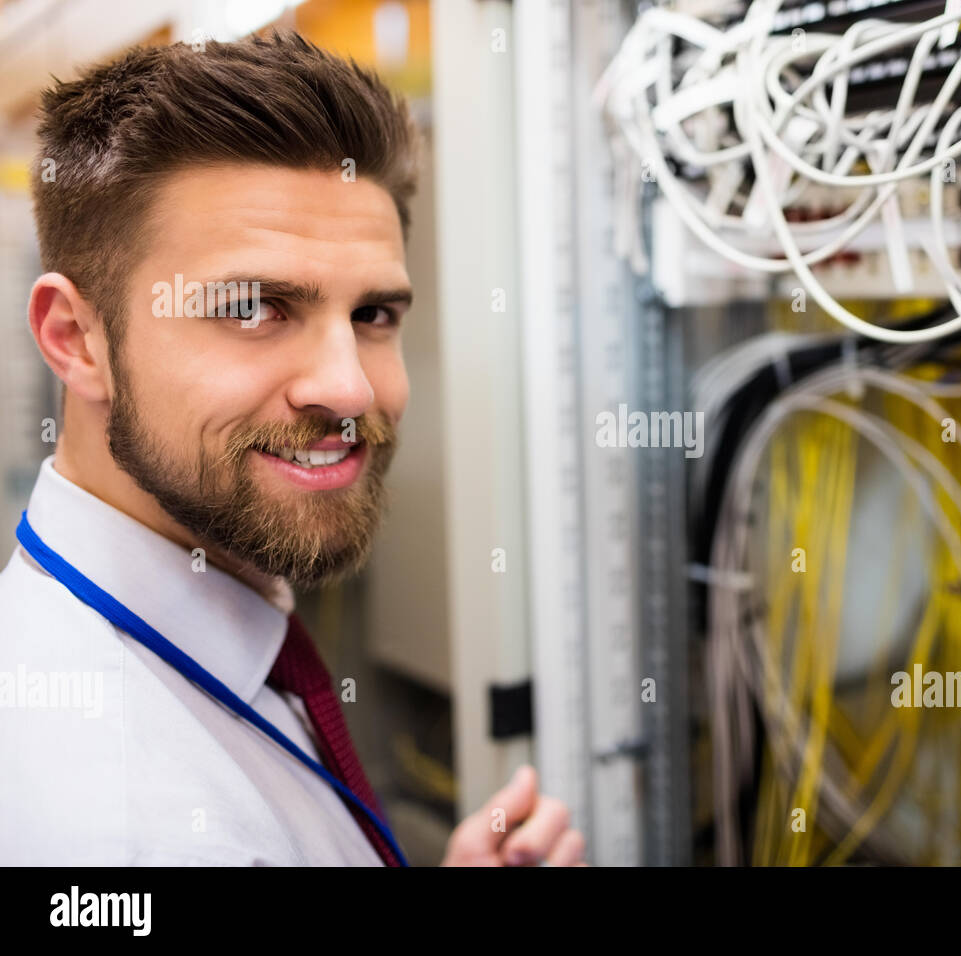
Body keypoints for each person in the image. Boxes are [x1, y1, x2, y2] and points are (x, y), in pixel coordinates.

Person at [0, 31, 585, 867]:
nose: (349, 391)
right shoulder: (124, 831)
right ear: (76, 340)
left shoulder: (213, 627)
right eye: (253, 308)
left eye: (373, 315)